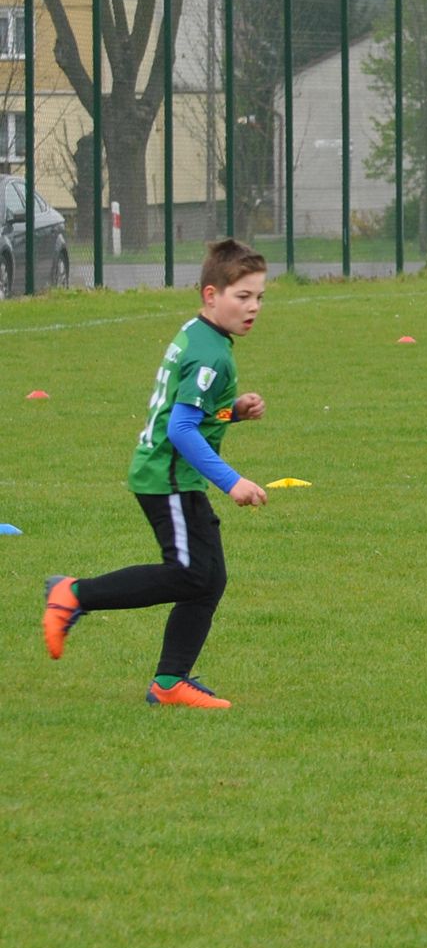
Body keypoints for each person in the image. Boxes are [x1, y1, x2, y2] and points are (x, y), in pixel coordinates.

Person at [42, 239, 271, 709]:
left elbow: (190, 412)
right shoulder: (211, 355)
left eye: (259, 297)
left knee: (208, 578)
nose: (253, 307)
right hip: (168, 477)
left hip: (171, 474)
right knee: (190, 574)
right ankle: (74, 594)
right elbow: (181, 429)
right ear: (211, 294)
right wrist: (232, 481)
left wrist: (231, 412)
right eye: (242, 296)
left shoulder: (199, 334)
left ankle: (170, 681)